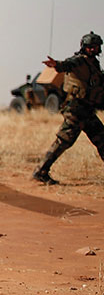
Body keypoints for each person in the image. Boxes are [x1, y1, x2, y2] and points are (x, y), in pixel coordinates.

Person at [32, 31, 104, 185]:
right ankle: (40, 171)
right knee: (63, 141)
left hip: (88, 110)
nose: (93, 49)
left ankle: (41, 171)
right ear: (84, 47)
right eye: (90, 46)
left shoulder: (94, 65)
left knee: (102, 139)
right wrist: (56, 64)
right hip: (76, 110)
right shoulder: (79, 60)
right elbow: (67, 64)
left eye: (96, 47)